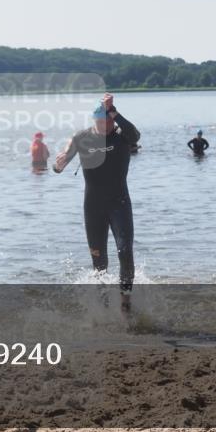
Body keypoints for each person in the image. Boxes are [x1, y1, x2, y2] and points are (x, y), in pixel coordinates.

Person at [53, 93, 140, 310]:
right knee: (99, 262)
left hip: (119, 203)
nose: (105, 126)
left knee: (125, 251)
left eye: (108, 121)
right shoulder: (81, 137)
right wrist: (59, 164)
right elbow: (59, 164)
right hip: (93, 207)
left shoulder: (121, 135)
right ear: (94, 119)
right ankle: (103, 305)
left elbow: (135, 135)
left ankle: (125, 302)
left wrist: (113, 111)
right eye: (101, 121)